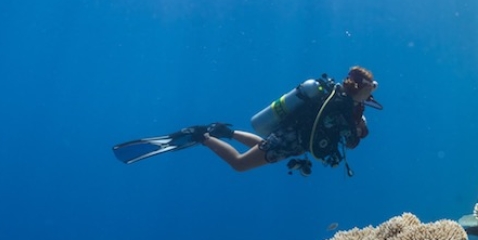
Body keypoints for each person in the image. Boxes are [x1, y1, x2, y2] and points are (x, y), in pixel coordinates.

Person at [112, 66, 380, 175]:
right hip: (292, 139)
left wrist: (357, 116)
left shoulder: (340, 100)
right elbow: (351, 139)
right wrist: (357, 122)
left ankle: (225, 133)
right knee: (240, 164)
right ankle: (202, 137)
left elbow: (346, 133)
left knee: (263, 146)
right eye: (368, 92)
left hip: (292, 139)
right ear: (361, 90)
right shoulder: (341, 104)